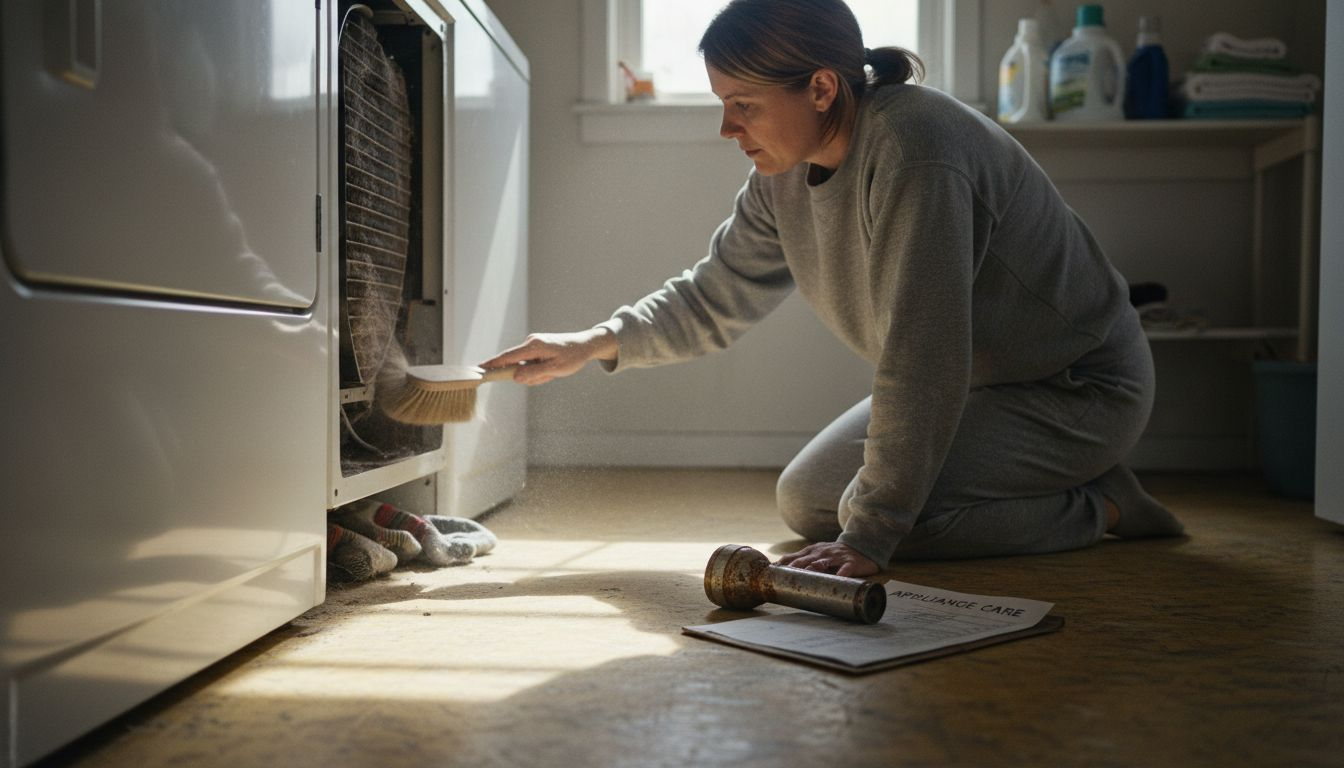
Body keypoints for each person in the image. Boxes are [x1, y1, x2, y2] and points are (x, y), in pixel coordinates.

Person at [482, 0, 1185, 578]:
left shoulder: (919, 153)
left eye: (744, 105)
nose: (727, 127)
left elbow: (922, 354)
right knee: (810, 500)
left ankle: (1100, 505)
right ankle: (1046, 486)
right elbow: (714, 292)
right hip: (981, 387)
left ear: (821, 88)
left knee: (876, 515)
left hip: (1077, 389)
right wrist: (592, 343)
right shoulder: (779, 177)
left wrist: (871, 538)